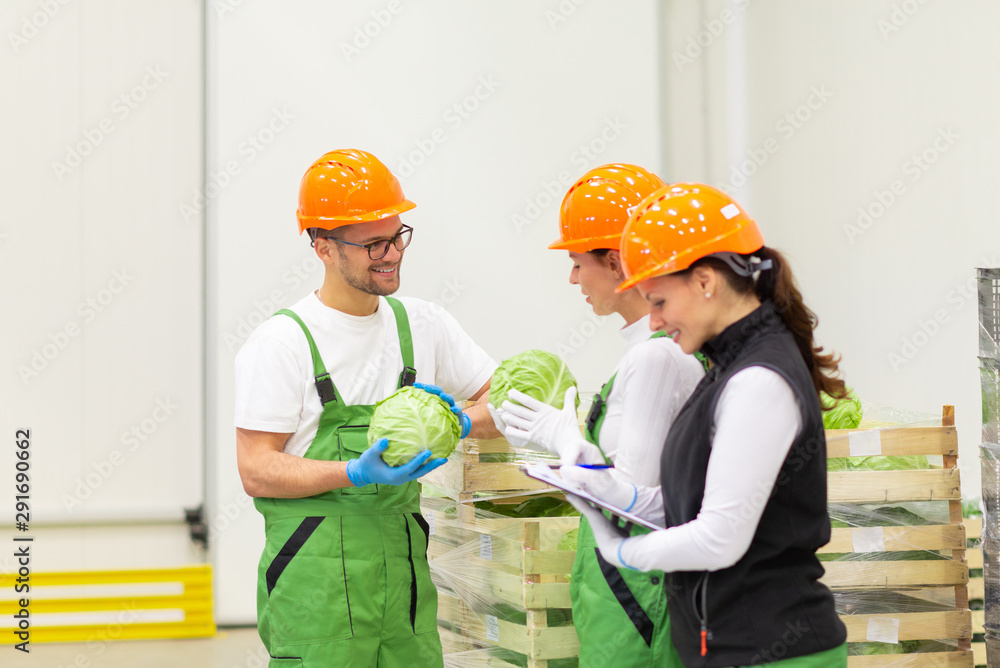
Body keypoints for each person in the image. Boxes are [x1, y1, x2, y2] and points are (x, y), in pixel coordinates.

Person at [560, 183, 849, 667]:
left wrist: (623, 552)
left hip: (772, 650)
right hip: (724, 649)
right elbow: (689, 506)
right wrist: (607, 488)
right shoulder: (727, 368)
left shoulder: (758, 380)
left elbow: (719, 536)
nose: (653, 323)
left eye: (658, 302)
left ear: (705, 282)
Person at [234, 149, 499, 667]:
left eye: (398, 235)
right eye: (372, 243)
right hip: (315, 586)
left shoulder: (424, 325)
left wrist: (463, 421)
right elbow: (256, 469)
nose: (392, 253)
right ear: (322, 246)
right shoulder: (283, 342)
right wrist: (352, 472)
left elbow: (505, 400)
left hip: (403, 581)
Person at [495, 165, 705, 668]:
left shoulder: (656, 358)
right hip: (623, 588)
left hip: (638, 596)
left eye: (576, 260)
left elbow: (635, 503)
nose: (572, 277)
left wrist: (566, 444)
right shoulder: (653, 351)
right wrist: (561, 442)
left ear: (615, 261)